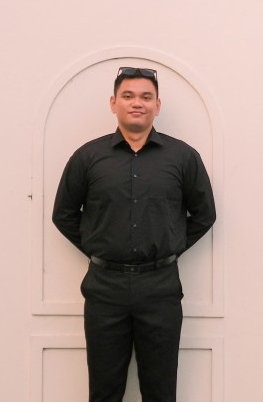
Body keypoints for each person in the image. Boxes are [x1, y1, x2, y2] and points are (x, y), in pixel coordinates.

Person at [52, 66, 217, 402]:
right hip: (104, 288)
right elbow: (63, 215)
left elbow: (204, 214)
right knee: (104, 391)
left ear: (158, 105)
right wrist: (101, 244)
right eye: (127, 96)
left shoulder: (183, 157)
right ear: (113, 103)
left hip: (161, 288)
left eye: (146, 96)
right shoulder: (88, 157)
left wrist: (169, 244)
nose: (137, 103)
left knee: (160, 392)